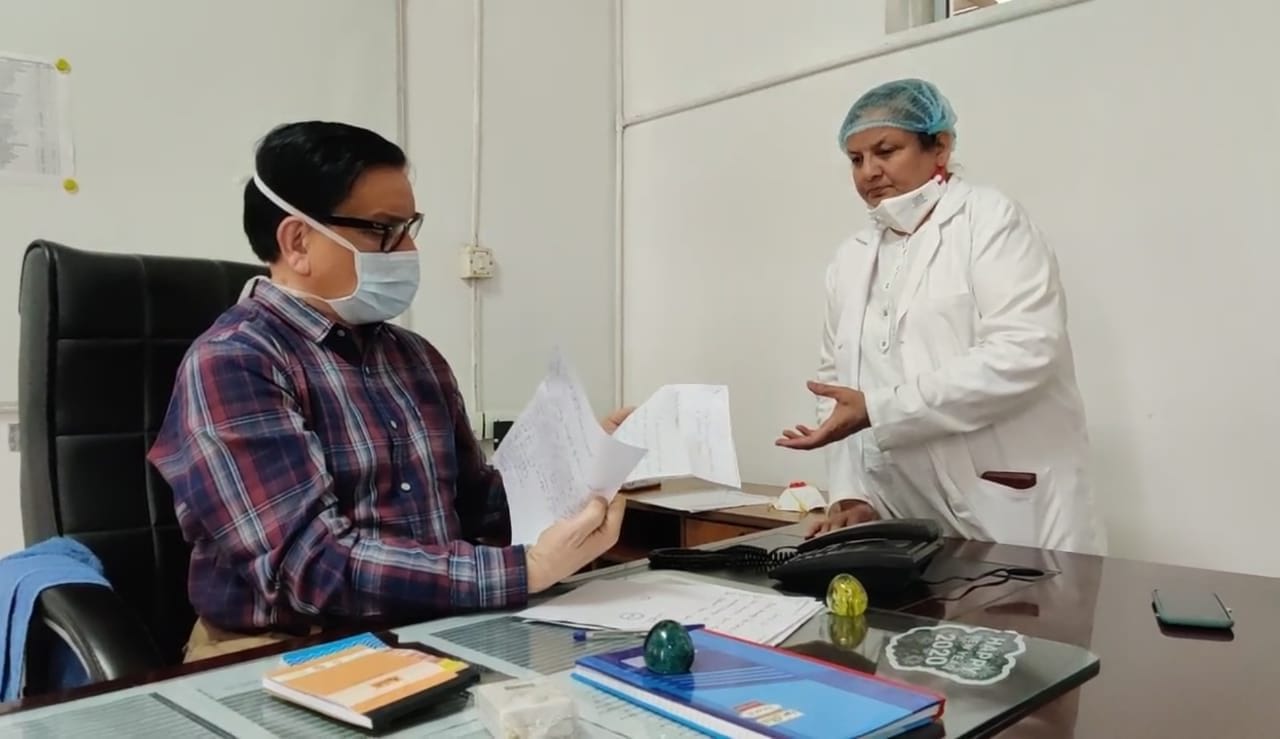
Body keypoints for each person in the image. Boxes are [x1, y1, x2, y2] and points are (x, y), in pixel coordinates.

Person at [149, 121, 632, 661]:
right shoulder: (235, 363)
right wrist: (527, 570)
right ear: (298, 241)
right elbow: (311, 567)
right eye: (384, 229)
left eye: (409, 227)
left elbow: (480, 507)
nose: (408, 249)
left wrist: (585, 463)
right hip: (286, 649)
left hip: (432, 628)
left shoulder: (415, 358)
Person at [777, 79, 1105, 556]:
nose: (869, 171)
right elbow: (837, 384)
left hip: (1008, 509)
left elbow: (1024, 352)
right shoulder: (851, 258)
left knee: (1026, 604)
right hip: (901, 511)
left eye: (886, 151)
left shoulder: (990, 221)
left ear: (941, 147)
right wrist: (851, 494)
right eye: (856, 159)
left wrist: (880, 409)